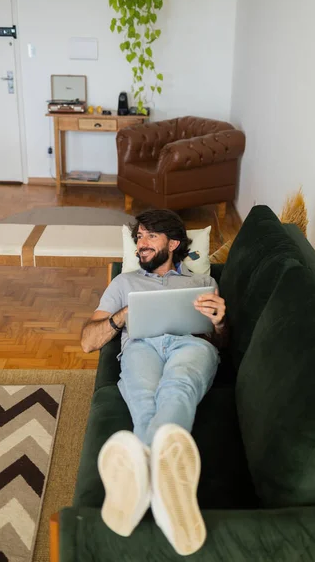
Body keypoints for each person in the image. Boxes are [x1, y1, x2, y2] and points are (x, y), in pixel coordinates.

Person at [81, 209, 228, 556]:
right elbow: (88, 340)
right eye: (138, 238)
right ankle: (168, 499)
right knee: (144, 402)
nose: (139, 245)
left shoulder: (202, 284)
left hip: (191, 344)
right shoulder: (124, 284)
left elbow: (222, 342)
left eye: (149, 237)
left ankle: (137, 490)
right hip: (141, 346)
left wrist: (221, 323)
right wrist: (123, 316)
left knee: (178, 389)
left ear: (173, 243)